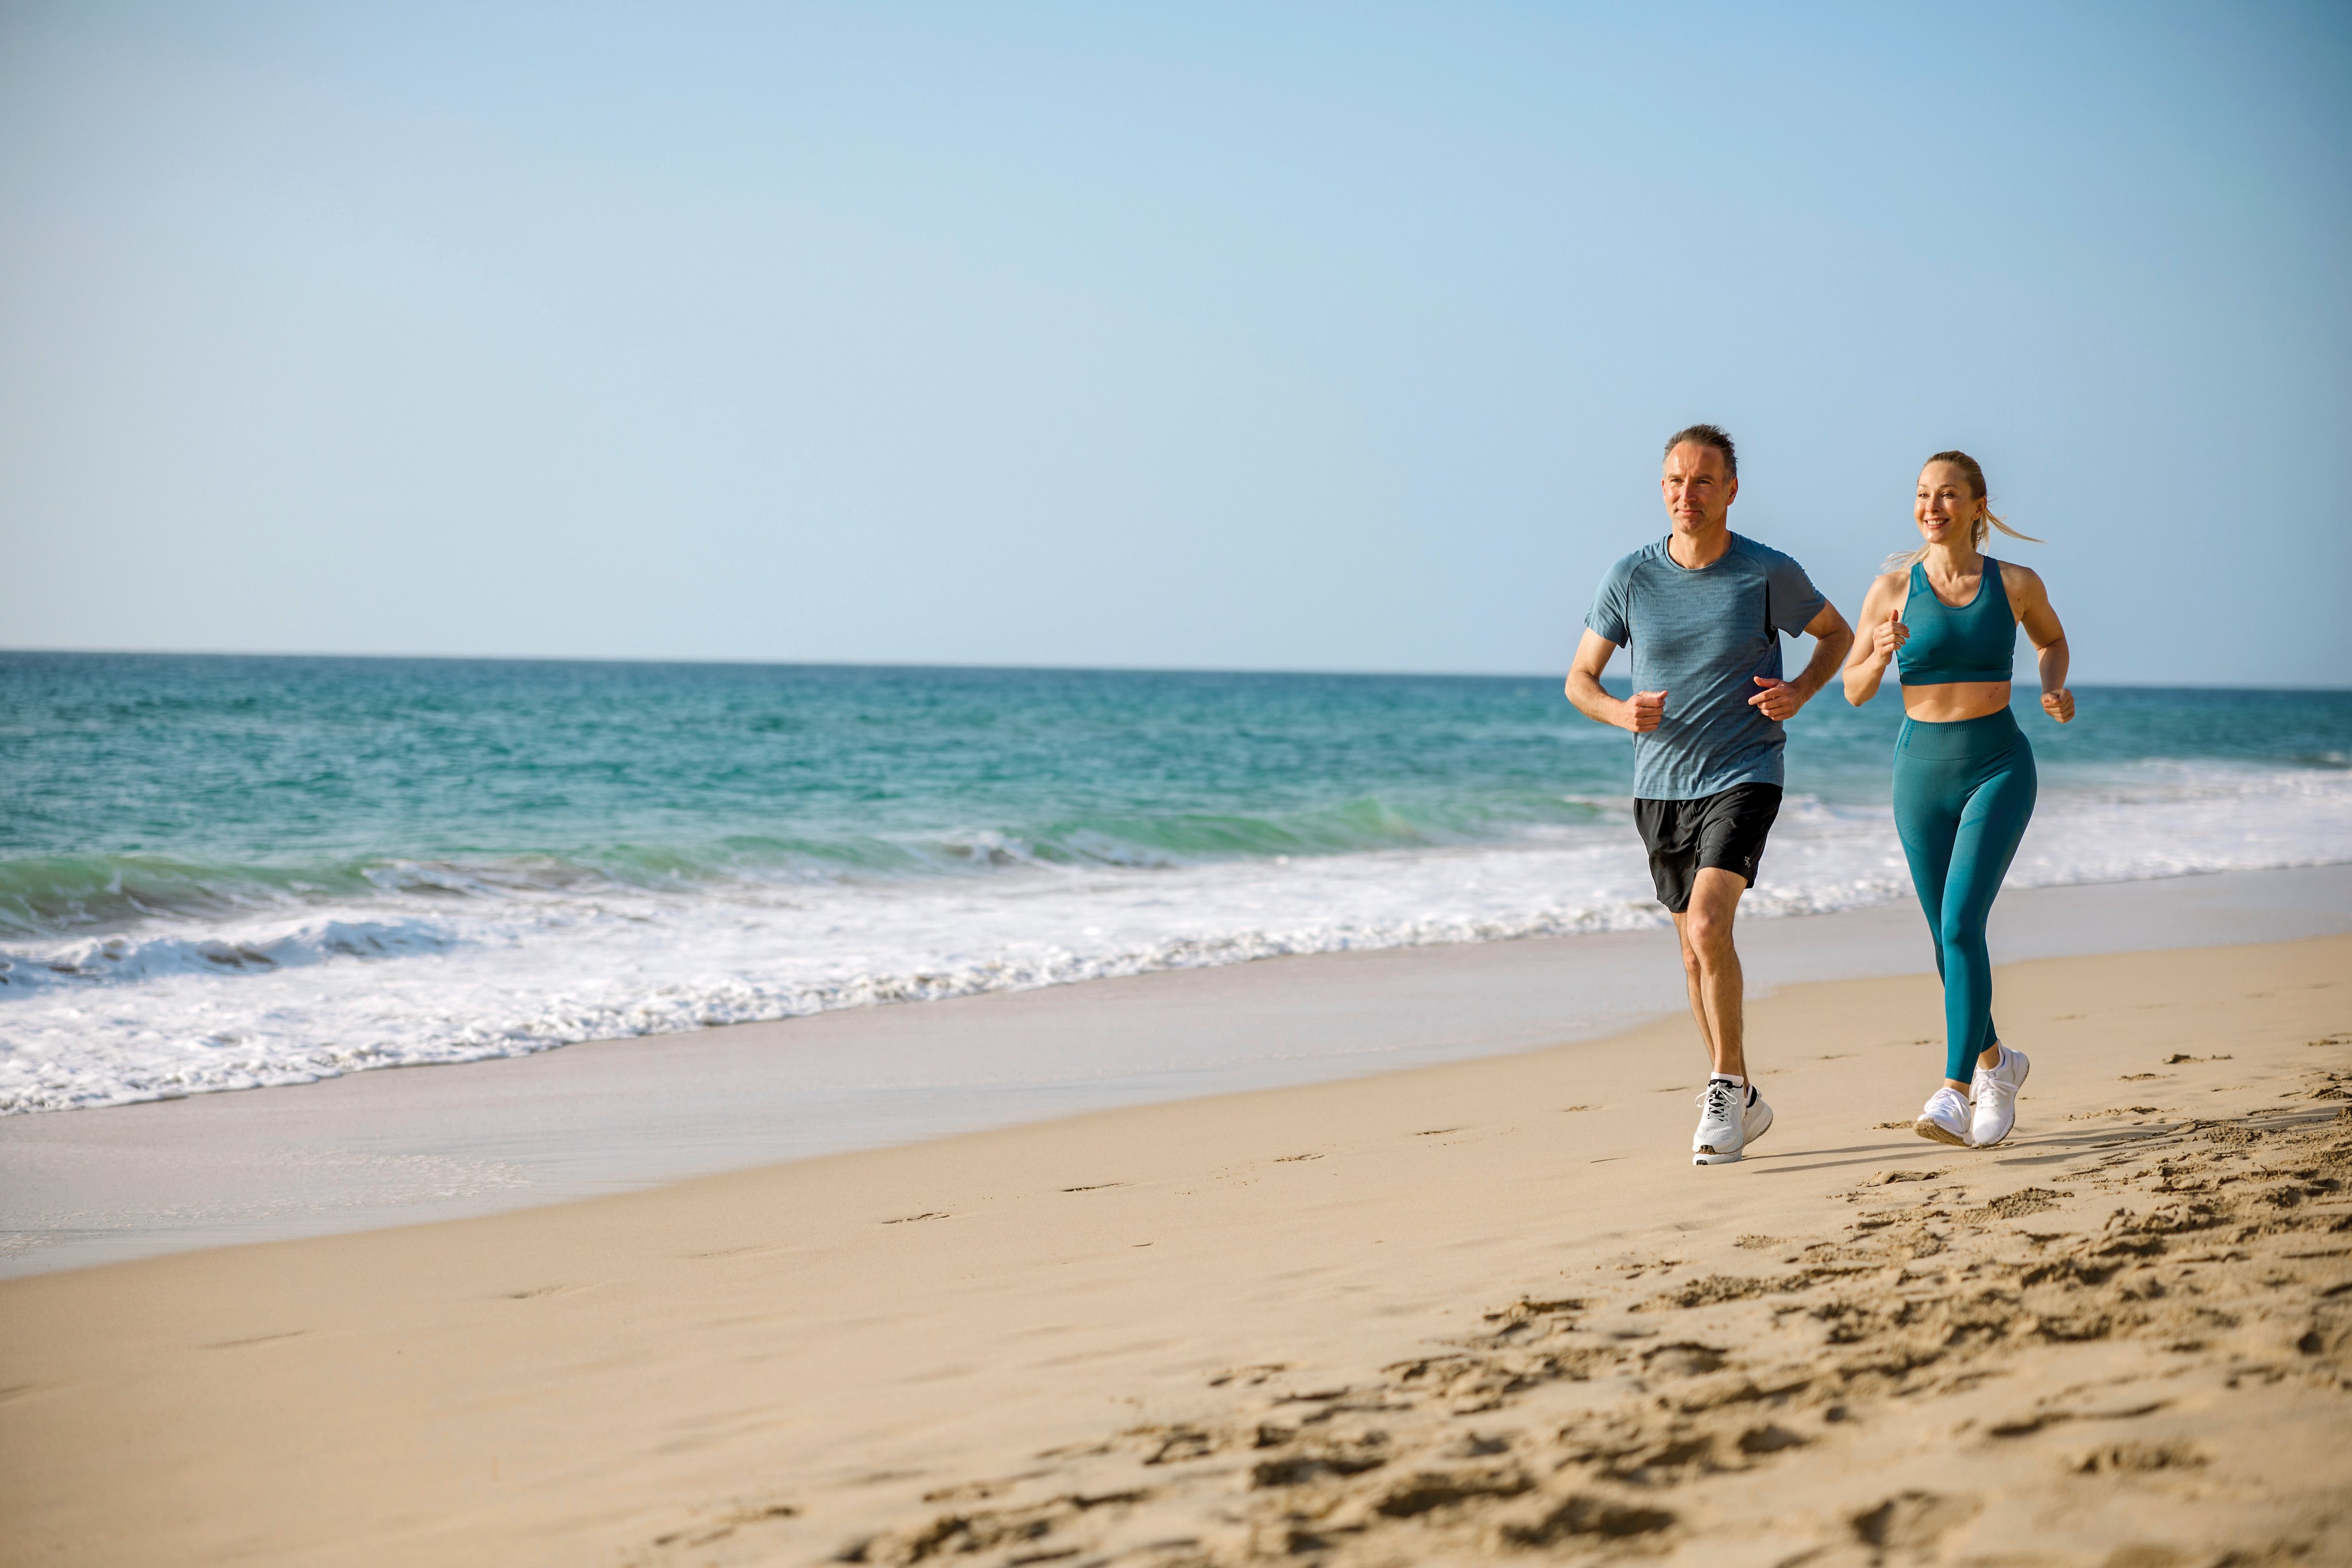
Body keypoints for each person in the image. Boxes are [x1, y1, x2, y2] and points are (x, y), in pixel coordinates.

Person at [1566, 425, 1855, 1166]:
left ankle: (1722, 1088)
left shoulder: (1766, 571)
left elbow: (1836, 634)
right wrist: (1619, 713)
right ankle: (1744, 1097)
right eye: (1674, 480)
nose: (1685, 493)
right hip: (1659, 787)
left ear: (1730, 489)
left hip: (1745, 771)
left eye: (1701, 480)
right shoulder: (1630, 577)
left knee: (1706, 923)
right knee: (1694, 954)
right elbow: (1580, 680)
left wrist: (1800, 690)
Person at [1842, 450, 2072, 1148]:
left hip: (1997, 765)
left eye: (1946, 494)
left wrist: (2053, 687)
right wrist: (1879, 651)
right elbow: (1853, 689)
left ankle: (1954, 1090)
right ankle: (1999, 1064)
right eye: (1922, 494)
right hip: (1919, 774)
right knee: (1948, 937)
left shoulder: (2015, 583)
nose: (1931, 507)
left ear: (1977, 506)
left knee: (1963, 920)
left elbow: (2052, 641)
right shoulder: (1890, 589)